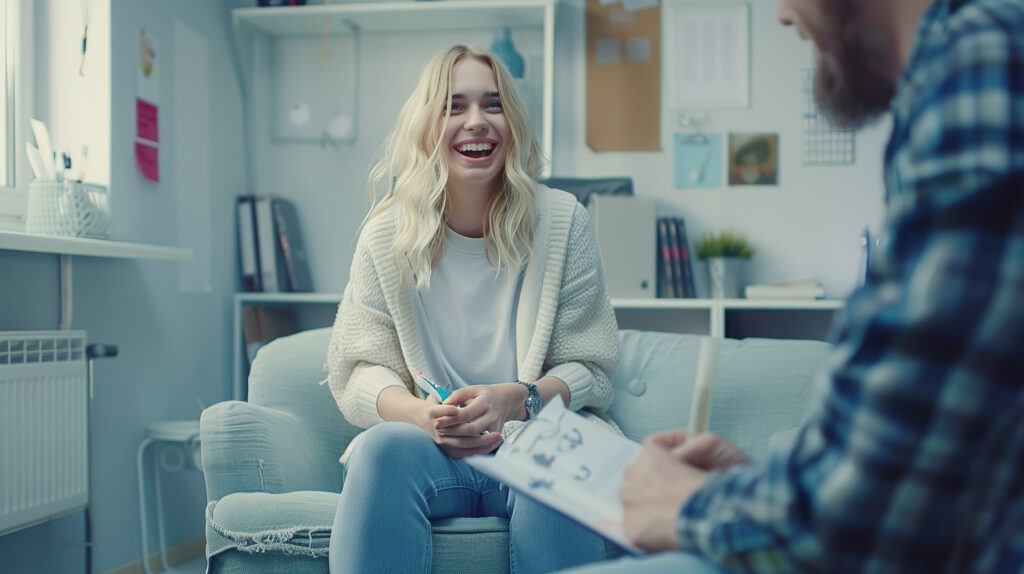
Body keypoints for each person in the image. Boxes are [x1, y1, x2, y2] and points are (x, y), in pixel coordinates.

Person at [560, 0, 1024, 572]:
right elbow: (930, 447)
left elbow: (866, 510)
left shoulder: (981, 67)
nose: (780, 15)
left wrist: (689, 504)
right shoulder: (963, 73)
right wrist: (761, 484)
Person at [325, 45, 620, 573]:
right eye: (454, 106)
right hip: (432, 453)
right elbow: (358, 369)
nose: (476, 122)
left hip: (533, 438)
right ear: (426, 125)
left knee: (561, 451)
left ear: (513, 121)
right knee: (378, 451)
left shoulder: (563, 221)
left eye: (493, 104)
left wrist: (518, 399)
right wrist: (422, 415)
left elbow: (592, 367)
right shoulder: (385, 235)